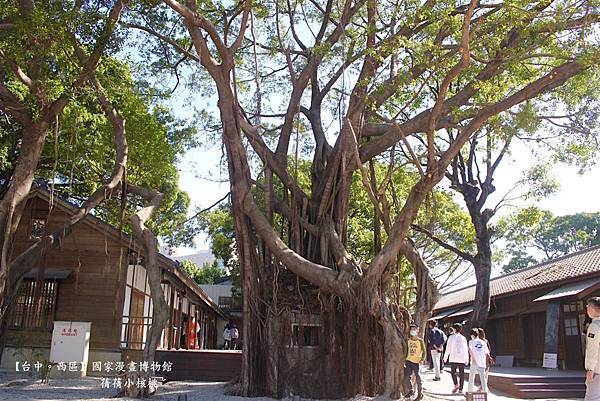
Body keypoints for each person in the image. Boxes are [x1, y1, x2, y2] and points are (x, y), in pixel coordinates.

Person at [444, 323, 469, 394]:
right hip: (461, 358)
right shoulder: (463, 338)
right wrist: (467, 359)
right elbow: (465, 349)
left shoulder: (451, 337)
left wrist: (445, 356)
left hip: (453, 357)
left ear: (454, 329)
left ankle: (456, 384)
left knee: (453, 372)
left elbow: (448, 348)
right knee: (462, 374)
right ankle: (461, 389)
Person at [404, 323, 426, 401]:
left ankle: (420, 394)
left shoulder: (420, 341)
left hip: (417, 362)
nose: (412, 331)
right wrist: (404, 360)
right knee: (406, 377)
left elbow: (424, 351)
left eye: (414, 329)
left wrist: (422, 359)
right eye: (411, 329)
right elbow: (406, 350)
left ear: (417, 330)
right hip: (409, 360)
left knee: (418, 378)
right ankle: (411, 390)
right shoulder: (408, 340)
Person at [585, 297, 600, 401]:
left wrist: (590, 368)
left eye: (588, 306)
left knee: (592, 397)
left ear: (593, 308)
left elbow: (592, 348)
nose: (587, 309)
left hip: (597, 368)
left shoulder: (595, 326)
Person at [467, 328, 490, 394]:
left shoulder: (471, 342)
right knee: (483, 378)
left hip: (474, 362)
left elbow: (470, 351)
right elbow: (486, 352)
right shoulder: (483, 342)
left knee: (471, 377)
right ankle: (485, 391)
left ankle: (470, 391)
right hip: (482, 362)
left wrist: (473, 359)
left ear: (472, 335)